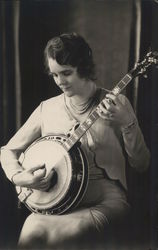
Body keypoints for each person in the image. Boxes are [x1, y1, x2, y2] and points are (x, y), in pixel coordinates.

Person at [0, 32, 150, 249]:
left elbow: (142, 163)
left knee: (70, 233)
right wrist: (18, 177)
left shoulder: (118, 105)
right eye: (54, 75)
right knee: (30, 232)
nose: (60, 81)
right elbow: (7, 150)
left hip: (105, 199)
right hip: (61, 201)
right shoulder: (47, 108)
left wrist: (128, 123)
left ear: (84, 67)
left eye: (66, 73)